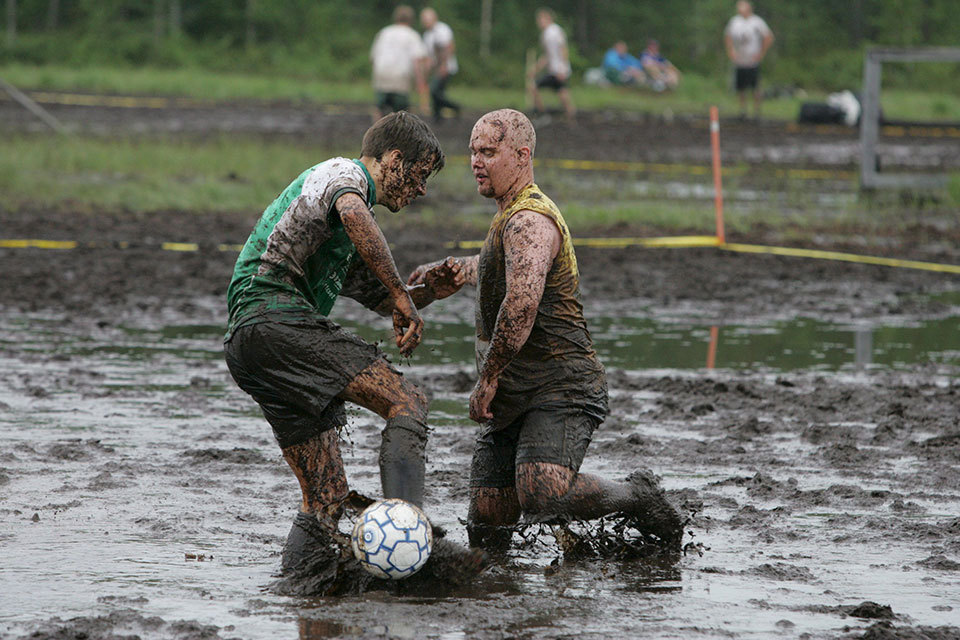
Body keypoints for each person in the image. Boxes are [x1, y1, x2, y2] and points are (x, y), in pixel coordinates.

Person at [407, 109, 684, 553]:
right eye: (473, 152)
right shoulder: (509, 217)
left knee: (542, 491)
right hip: (517, 392)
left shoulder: (530, 219)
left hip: (561, 383)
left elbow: (520, 304)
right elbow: (507, 270)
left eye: (489, 152)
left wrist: (488, 378)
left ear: (522, 155)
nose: (477, 162)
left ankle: (636, 496)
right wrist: (458, 272)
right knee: (487, 521)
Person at [223, 111, 469, 573]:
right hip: (272, 318)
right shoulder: (342, 175)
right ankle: (414, 537)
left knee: (326, 500)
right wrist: (401, 293)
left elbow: (383, 300)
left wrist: (429, 291)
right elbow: (357, 217)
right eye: (418, 176)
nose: (421, 191)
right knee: (407, 400)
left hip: (251, 343)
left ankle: (301, 593)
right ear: (393, 159)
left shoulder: (345, 218)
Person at [370, 5, 429, 121]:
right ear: (411, 19)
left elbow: (373, 57)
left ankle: (375, 133)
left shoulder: (384, 32)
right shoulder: (412, 35)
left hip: (381, 72)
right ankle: (401, 135)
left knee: (380, 107)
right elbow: (417, 60)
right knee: (402, 110)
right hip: (400, 75)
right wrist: (420, 82)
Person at [724, 0, 774, 118]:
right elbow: (727, 36)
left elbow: (768, 37)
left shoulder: (757, 22)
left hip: (752, 61)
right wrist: (731, 51)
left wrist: (761, 53)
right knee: (741, 87)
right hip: (740, 60)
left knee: (755, 87)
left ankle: (757, 111)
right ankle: (743, 111)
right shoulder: (735, 21)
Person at [528, 8, 575, 120]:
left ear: (548, 19)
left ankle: (542, 113)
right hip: (554, 69)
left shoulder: (555, 31)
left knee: (535, 86)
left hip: (558, 69)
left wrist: (562, 69)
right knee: (561, 91)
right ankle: (569, 113)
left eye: (541, 19)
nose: (539, 22)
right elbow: (547, 55)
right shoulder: (546, 34)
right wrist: (536, 68)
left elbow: (563, 49)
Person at [420, 7, 461, 122]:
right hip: (437, 67)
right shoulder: (427, 35)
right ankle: (437, 117)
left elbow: (448, 47)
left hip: (446, 67)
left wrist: (444, 65)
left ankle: (454, 107)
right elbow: (428, 55)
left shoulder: (442, 29)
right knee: (437, 92)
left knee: (435, 91)